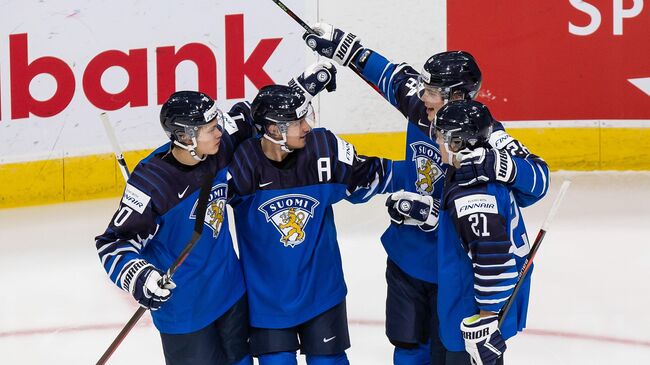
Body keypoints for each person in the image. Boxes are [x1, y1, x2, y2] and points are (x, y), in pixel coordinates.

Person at [302, 23, 549, 364]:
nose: (423, 96)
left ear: (458, 97)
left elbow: (539, 180)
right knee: (406, 345)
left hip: (453, 272)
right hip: (407, 258)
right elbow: (391, 76)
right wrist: (345, 47)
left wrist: (495, 163)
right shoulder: (422, 108)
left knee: (447, 351)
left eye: (433, 90)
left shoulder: (486, 137)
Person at [227, 62, 399, 365]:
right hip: (266, 302)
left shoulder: (323, 148)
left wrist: (441, 177)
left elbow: (376, 173)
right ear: (272, 130)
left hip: (322, 294)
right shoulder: (240, 164)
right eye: (297, 122)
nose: (307, 126)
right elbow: (192, 175)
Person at [95, 90, 257, 365]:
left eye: (216, 123)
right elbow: (113, 243)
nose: (218, 131)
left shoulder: (220, 143)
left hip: (230, 293)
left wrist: (307, 83)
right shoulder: (151, 184)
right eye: (209, 129)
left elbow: (257, 112)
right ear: (186, 136)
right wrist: (141, 276)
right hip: (185, 311)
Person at [392, 99, 539, 365]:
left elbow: (493, 261)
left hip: (470, 319)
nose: (437, 143)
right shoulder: (469, 174)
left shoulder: (472, 194)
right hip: (466, 311)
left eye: (441, 137)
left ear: (458, 142)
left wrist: (484, 323)